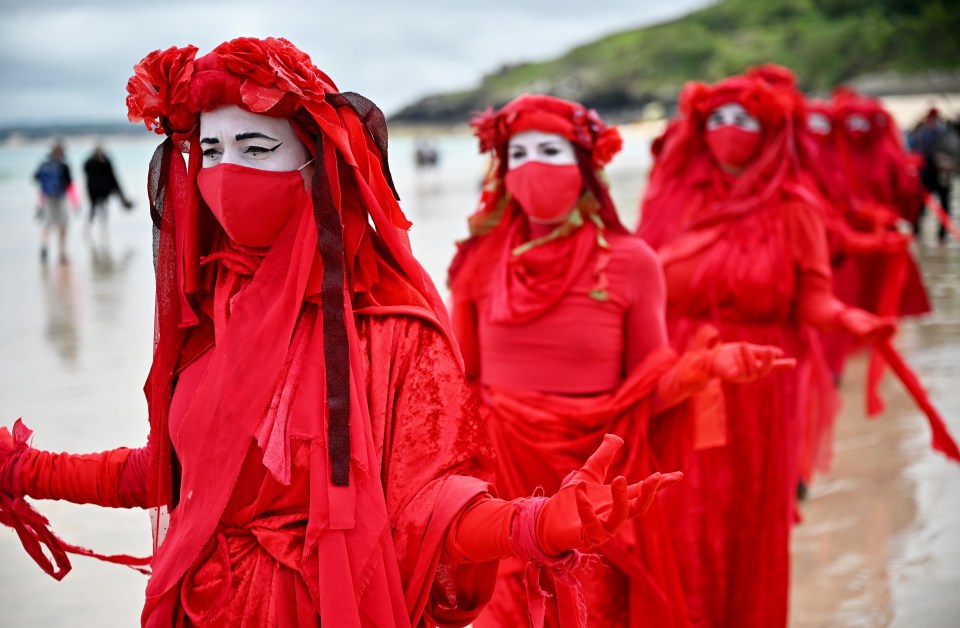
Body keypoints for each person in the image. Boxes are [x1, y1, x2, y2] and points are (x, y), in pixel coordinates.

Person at [0, 38, 677, 628]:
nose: (227, 170)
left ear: (317, 165)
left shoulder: (393, 330)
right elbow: (177, 475)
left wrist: (532, 526)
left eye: (257, 145)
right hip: (196, 604)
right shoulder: (209, 315)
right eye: (210, 148)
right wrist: (32, 470)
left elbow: (425, 513)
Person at [448, 94, 792, 628]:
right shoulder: (477, 259)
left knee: (590, 611)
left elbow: (649, 388)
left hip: (590, 487)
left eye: (550, 150)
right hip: (504, 483)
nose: (532, 166)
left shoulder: (633, 263)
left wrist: (707, 367)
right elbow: (456, 383)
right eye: (517, 154)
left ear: (585, 166)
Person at [638, 74, 896, 628]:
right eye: (720, 121)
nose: (730, 132)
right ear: (701, 130)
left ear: (772, 130)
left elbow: (814, 299)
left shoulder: (795, 208)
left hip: (760, 383)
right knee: (680, 512)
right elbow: (635, 290)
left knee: (746, 517)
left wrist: (850, 318)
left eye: (746, 121)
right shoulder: (672, 200)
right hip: (681, 374)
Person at [908, 107, 960, 244]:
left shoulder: (947, 133)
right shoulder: (919, 133)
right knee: (919, 208)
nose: (932, 121)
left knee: (945, 206)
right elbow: (912, 150)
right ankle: (916, 235)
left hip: (943, 177)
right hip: (925, 176)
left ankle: (942, 237)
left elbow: (954, 152)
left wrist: (948, 163)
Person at [34, 142, 76, 264]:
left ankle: (44, 244)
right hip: (60, 198)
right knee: (63, 224)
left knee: (47, 223)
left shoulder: (44, 165)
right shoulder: (64, 166)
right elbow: (70, 185)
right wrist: (75, 203)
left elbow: (35, 179)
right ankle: (62, 253)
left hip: (47, 198)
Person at [83, 143, 134, 229]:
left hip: (98, 191)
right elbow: (113, 177)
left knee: (97, 211)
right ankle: (92, 229)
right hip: (98, 191)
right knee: (96, 211)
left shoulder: (96, 163)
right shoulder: (100, 163)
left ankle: (95, 230)